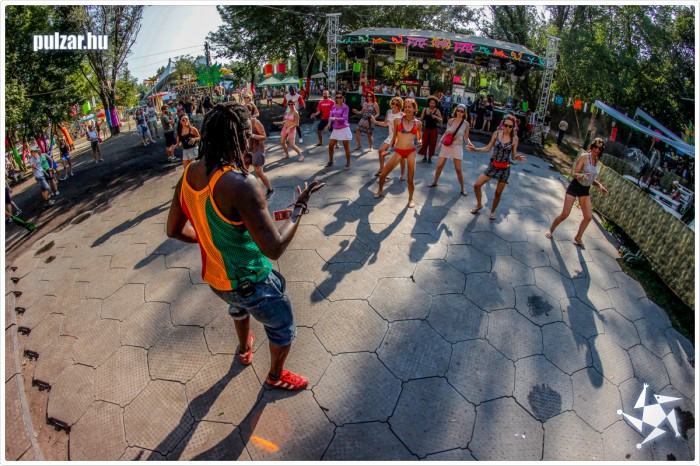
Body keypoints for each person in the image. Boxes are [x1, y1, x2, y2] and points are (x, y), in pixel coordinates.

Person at [166, 103, 325, 391]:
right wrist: (298, 210)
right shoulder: (242, 184)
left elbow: (173, 230)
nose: (250, 142)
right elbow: (274, 248)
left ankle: (243, 349)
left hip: (217, 279)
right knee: (283, 327)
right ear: (239, 136)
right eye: (248, 136)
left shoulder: (187, 176)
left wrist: (209, 239)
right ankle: (276, 376)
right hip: (252, 282)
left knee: (238, 308)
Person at [545, 138, 609, 248]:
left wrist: (599, 185)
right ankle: (551, 229)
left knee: (588, 217)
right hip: (575, 187)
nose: (597, 150)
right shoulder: (584, 157)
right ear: (592, 147)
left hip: (585, 190)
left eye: (600, 149)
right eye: (595, 147)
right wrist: (582, 176)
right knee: (565, 213)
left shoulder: (596, 161)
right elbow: (575, 174)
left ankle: (578, 237)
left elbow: (591, 179)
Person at [467, 114, 527, 221]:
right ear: (502, 124)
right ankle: (479, 204)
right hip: (493, 165)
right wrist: (475, 149)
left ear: (513, 127)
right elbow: (488, 148)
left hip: (504, 168)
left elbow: (513, 156)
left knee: (498, 193)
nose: (507, 128)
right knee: (476, 185)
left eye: (510, 126)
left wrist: (516, 157)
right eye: (506, 125)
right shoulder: (496, 133)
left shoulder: (515, 139)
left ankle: (492, 211)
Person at [374, 97, 422, 208]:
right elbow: (394, 138)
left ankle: (410, 199)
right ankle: (380, 190)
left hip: (410, 152)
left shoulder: (418, 123)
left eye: (410, 107)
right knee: (383, 175)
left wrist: (420, 142)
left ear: (415, 109)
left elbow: (419, 138)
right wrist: (388, 150)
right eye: (405, 107)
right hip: (398, 151)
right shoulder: (397, 120)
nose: (407, 109)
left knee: (410, 180)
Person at [428, 104, 471, 196]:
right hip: (447, 145)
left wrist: (470, 144)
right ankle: (434, 182)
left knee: (458, 169)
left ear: (464, 113)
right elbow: (447, 133)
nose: (459, 113)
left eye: (461, 111)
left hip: (457, 146)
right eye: (458, 110)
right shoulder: (450, 120)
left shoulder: (466, 124)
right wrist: (440, 142)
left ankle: (463, 188)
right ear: (455, 111)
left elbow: (466, 137)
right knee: (439, 165)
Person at [370, 96, 405, 179]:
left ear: (400, 105)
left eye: (396, 104)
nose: (394, 105)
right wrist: (375, 122)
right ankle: (381, 169)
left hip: (399, 137)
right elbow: (386, 124)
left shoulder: (402, 115)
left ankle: (402, 174)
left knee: (401, 157)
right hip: (391, 136)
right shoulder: (388, 112)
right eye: (393, 103)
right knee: (381, 150)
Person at [245, 103, 274, 200]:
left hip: (257, 149)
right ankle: (247, 192)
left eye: (246, 111)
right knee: (244, 171)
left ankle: (270, 190)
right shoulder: (243, 122)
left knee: (259, 172)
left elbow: (264, 136)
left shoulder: (255, 122)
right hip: (247, 150)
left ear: (251, 111)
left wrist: (252, 135)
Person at [325, 92, 352, 168]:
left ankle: (348, 163)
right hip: (336, 128)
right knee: (330, 145)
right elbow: (331, 116)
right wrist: (329, 123)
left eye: (340, 97)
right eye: (337, 97)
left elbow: (344, 118)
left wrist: (336, 118)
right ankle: (330, 161)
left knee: (346, 146)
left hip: (344, 128)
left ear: (343, 98)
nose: (339, 99)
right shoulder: (334, 106)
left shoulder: (345, 107)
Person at [417, 95, 443, 163]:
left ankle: (430, 158)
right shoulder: (425, 110)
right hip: (426, 129)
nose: (432, 104)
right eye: (431, 103)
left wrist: (436, 117)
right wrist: (414, 118)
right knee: (424, 143)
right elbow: (421, 118)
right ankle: (425, 157)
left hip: (434, 130)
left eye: (433, 103)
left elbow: (441, 120)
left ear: (435, 104)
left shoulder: (437, 111)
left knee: (432, 144)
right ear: (429, 103)